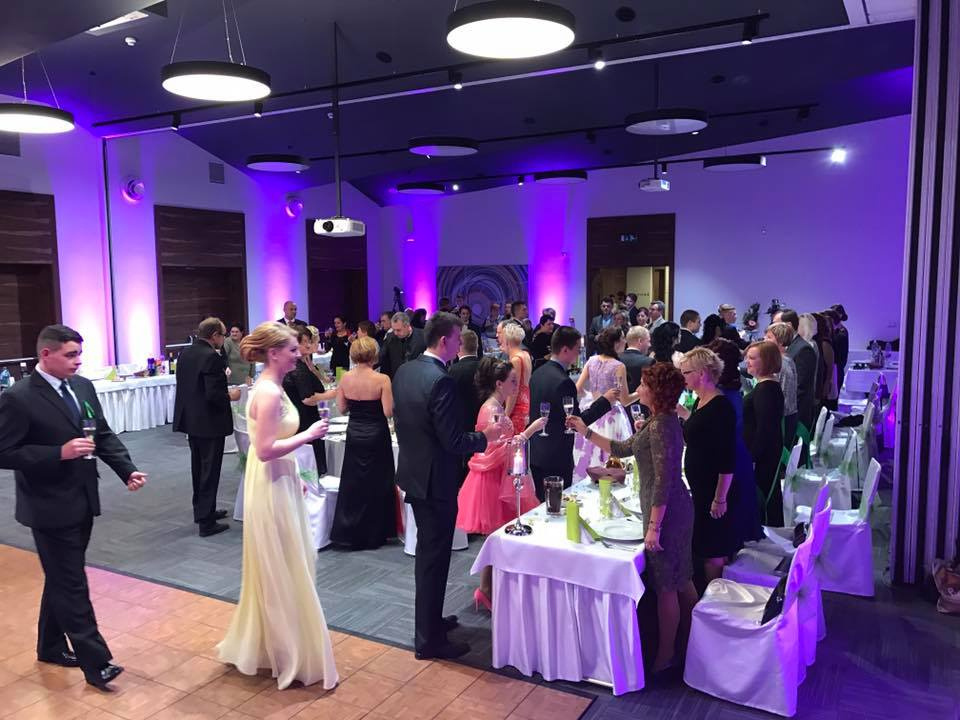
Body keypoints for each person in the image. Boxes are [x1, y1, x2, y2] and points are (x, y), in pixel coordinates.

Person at [0, 324, 146, 689]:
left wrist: (126, 470)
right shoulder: (19, 397)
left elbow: (101, 433)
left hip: (83, 498)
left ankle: (50, 646)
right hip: (47, 505)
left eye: (80, 354)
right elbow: (4, 452)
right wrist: (57, 453)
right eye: (70, 355)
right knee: (72, 582)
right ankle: (97, 663)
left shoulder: (82, 387)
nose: (78, 361)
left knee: (62, 576)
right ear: (46, 354)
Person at [217, 322, 337, 689]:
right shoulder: (267, 393)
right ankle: (285, 650)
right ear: (273, 354)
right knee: (281, 563)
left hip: (278, 479)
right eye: (292, 350)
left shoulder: (273, 387)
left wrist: (294, 474)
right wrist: (308, 435)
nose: (299, 354)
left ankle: (278, 646)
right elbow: (265, 449)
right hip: (269, 482)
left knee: (288, 559)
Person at [568, 363, 696, 673]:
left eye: (644, 385)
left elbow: (664, 481)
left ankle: (666, 655)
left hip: (668, 513)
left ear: (657, 392)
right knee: (682, 579)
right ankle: (694, 642)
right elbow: (622, 449)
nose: (638, 389)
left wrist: (654, 527)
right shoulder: (659, 421)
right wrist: (585, 430)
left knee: (668, 585)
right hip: (672, 509)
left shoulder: (662, 425)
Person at [393, 312, 507, 660]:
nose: (460, 344)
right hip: (435, 480)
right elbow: (453, 440)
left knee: (431, 556)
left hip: (414, 473)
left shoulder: (406, 370)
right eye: (458, 339)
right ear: (444, 341)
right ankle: (428, 640)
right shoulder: (440, 380)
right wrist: (485, 437)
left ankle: (431, 622)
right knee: (434, 558)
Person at [458, 358, 546, 609]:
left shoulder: (494, 406)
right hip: (495, 479)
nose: (516, 386)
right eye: (512, 381)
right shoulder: (491, 409)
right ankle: (487, 588)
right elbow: (496, 448)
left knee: (497, 536)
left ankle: (490, 588)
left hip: (500, 476)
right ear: (499, 384)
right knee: (497, 535)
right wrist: (529, 432)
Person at [528, 326, 616, 498]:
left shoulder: (537, 373)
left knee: (543, 502)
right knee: (557, 504)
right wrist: (605, 401)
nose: (579, 354)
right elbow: (576, 422)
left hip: (537, 451)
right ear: (565, 350)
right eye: (577, 349)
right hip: (557, 454)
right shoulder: (564, 382)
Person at [678, 347, 738, 585]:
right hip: (701, 487)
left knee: (713, 549)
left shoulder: (720, 407)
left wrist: (720, 498)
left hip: (713, 488)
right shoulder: (700, 400)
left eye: (686, 372)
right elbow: (697, 432)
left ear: (702, 373)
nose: (682, 377)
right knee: (705, 543)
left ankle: (716, 594)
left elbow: (727, 457)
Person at [173, 317, 238, 537]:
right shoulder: (211, 356)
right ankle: (206, 522)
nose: (224, 339)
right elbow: (213, 394)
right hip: (209, 422)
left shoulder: (185, 353)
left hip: (192, 420)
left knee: (198, 468)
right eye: (223, 334)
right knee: (210, 471)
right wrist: (231, 395)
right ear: (214, 336)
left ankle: (201, 510)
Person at [331, 337, 397, 550]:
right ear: (374, 355)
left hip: (355, 433)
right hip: (377, 434)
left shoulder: (345, 378)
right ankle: (376, 532)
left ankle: (351, 531)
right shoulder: (382, 379)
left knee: (354, 482)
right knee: (378, 481)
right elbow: (388, 412)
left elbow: (342, 409)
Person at [703, 338, 761, 544]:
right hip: (738, 455)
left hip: (729, 461)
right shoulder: (731, 390)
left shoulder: (722, 397)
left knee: (726, 522)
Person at [572, 327, 635, 480]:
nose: (625, 341)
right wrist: (640, 392)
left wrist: (590, 396)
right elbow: (625, 400)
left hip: (592, 411)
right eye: (623, 338)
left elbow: (577, 389)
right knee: (613, 453)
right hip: (612, 415)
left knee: (590, 451)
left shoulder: (591, 360)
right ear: (616, 343)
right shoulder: (618, 366)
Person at [282, 326, 337, 474]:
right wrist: (332, 394)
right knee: (309, 469)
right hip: (304, 421)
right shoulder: (297, 368)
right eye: (304, 342)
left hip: (301, 419)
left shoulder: (299, 364)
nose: (308, 345)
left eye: (309, 341)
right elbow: (307, 398)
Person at [743, 341, 786, 526]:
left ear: (767, 361)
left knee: (764, 500)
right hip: (764, 455)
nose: (747, 362)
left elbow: (764, 430)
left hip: (763, 459)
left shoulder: (766, 390)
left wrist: (751, 459)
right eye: (747, 357)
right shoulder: (766, 386)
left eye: (753, 358)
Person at [774, 309, 818, 443]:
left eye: (775, 324)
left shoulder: (803, 348)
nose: (772, 327)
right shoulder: (792, 345)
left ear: (788, 325)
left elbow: (800, 386)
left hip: (796, 413)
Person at [448, 329, 483, 481]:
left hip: (462, 426)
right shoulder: (486, 367)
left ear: (459, 346)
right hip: (485, 424)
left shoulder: (453, 371)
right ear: (477, 345)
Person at [766, 322, 800, 446]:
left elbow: (784, 398)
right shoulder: (785, 360)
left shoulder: (782, 364)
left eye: (769, 337)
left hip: (783, 420)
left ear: (780, 342)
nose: (765, 340)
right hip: (786, 417)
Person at [502, 322, 532, 434]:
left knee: (514, 441)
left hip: (517, 408)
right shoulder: (525, 354)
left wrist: (506, 414)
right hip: (525, 403)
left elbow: (514, 391)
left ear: (507, 341)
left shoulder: (515, 360)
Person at [378, 311, 426, 379]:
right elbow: (381, 356)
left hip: (418, 378)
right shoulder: (390, 337)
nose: (395, 333)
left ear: (407, 326)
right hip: (397, 378)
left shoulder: (423, 336)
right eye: (393, 330)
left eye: (398, 330)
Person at [814, 312, 838, 412]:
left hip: (823, 380)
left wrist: (827, 383)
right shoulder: (815, 341)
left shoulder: (824, 343)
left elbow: (830, 366)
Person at [621, 325, 654, 392]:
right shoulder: (649, 362)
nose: (650, 345)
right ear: (640, 341)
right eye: (648, 341)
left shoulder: (615, 359)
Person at [830, 304, 850, 387]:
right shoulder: (836, 330)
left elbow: (841, 356)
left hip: (836, 369)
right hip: (835, 368)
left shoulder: (841, 332)